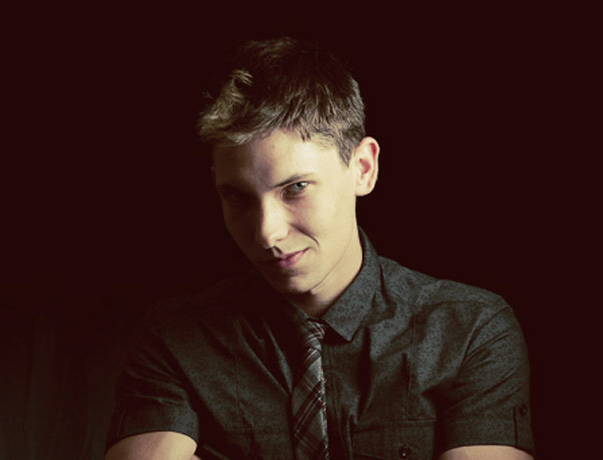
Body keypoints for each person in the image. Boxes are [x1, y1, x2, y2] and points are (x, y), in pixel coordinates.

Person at [104, 37, 535, 460]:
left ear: (363, 168)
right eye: (237, 196)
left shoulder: (470, 331)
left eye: (295, 188)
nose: (267, 233)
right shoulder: (174, 340)